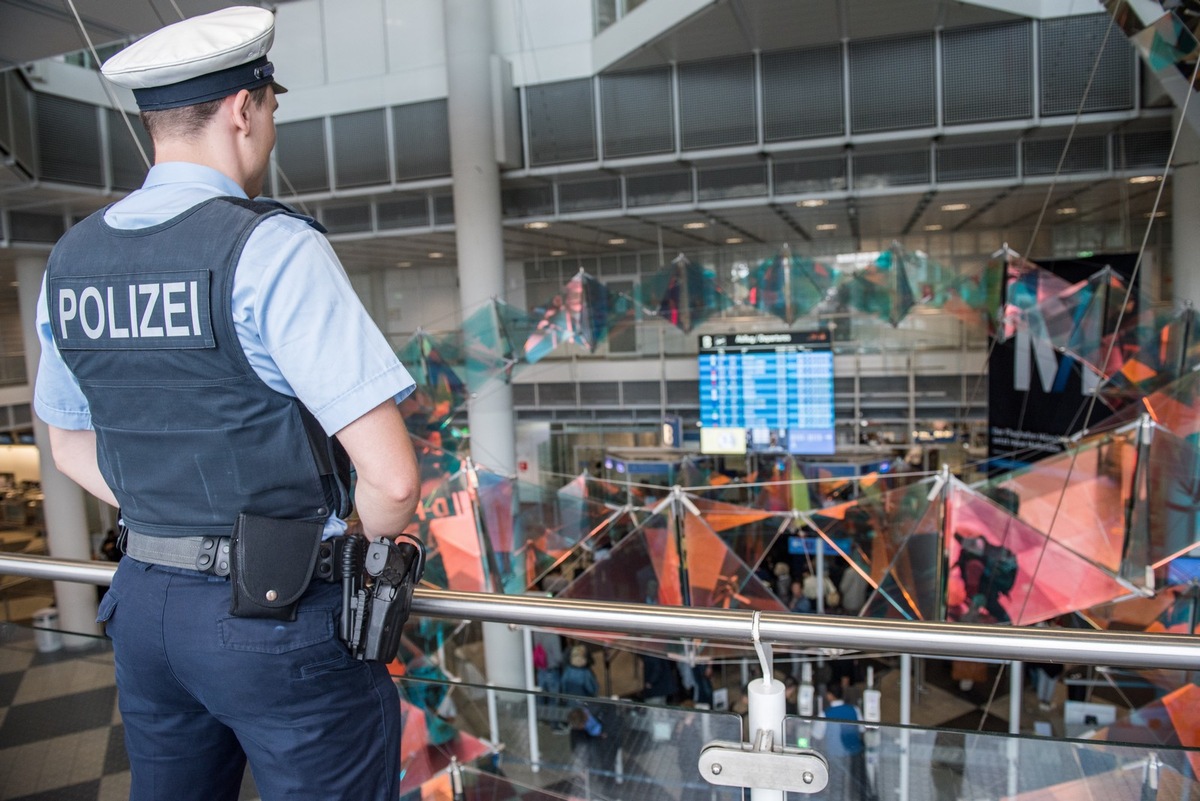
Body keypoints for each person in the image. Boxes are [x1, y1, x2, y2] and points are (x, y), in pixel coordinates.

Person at [32, 8, 420, 800]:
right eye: (272, 104)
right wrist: (335, 545)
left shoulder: (71, 257)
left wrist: (173, 514)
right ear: (245, 109)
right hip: (276, 620)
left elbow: (68, 445)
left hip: (141, 608)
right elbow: (393, 481)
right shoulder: (271, 247)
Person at [813, 682, 867, 801]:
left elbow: (817, 735)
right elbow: (862, 729)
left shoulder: (825, 714)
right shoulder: (854, 709)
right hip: (854, 752)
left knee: (837, 784)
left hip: (835, 754)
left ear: (829, 695)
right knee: (856, 784)